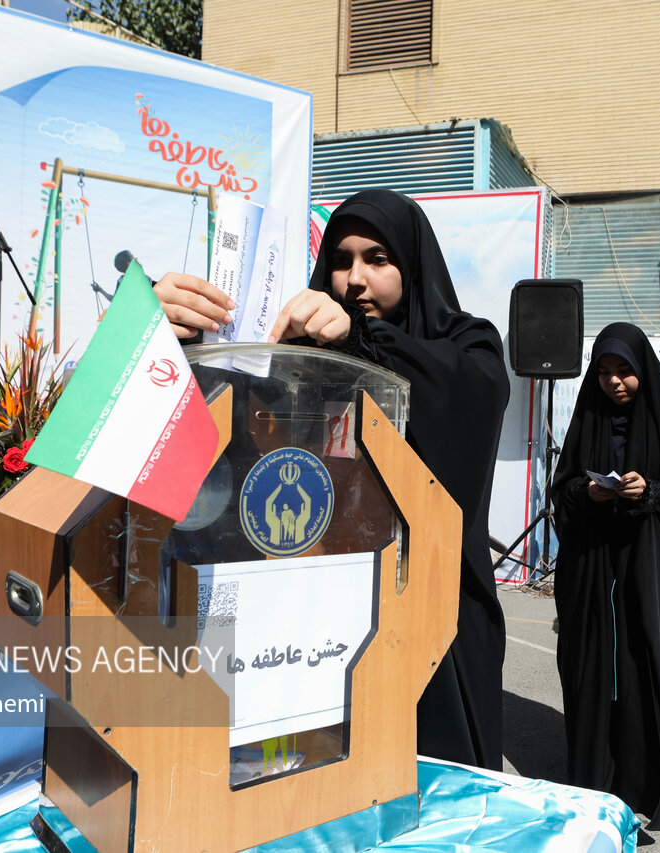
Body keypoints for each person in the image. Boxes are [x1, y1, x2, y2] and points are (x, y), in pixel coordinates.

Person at [155, 189, 511, 769]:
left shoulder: (466, 343)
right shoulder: (299, 355)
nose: (355, 279)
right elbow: (225, 436)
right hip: (316, 614)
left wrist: (361, 343)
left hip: (431, 615)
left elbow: (467, 394)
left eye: (378, 259)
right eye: (342, 261)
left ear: (414, 264)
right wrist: (175, 336)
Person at [550, 322, 660, 827]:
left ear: (645, 371)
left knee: (648, 671)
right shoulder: (589, 419)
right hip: (597, 570)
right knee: (596, 667)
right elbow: (563, 491)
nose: (615, 382)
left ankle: (654, 780)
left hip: (652, 570)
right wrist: (588, 491)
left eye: (626, 371)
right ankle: (595, 777)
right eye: (605, 372)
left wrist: (652, 492)